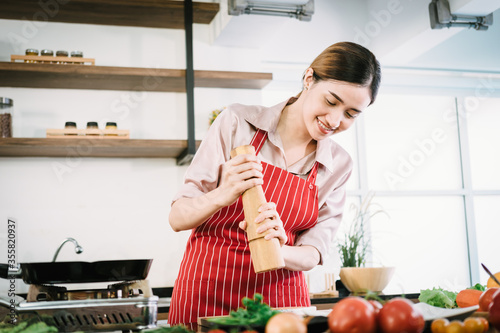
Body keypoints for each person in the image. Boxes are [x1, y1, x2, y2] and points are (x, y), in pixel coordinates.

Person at [167, 41, 381, 329]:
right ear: (308, 79)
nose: (334, 120)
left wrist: (279, 251)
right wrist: (223, 193)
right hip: (206, 293)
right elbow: (177, 218)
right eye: (331, 102)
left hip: (281, 306)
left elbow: (314, 252)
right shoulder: (237, 123)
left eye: (351, 114)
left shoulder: (338, 164)